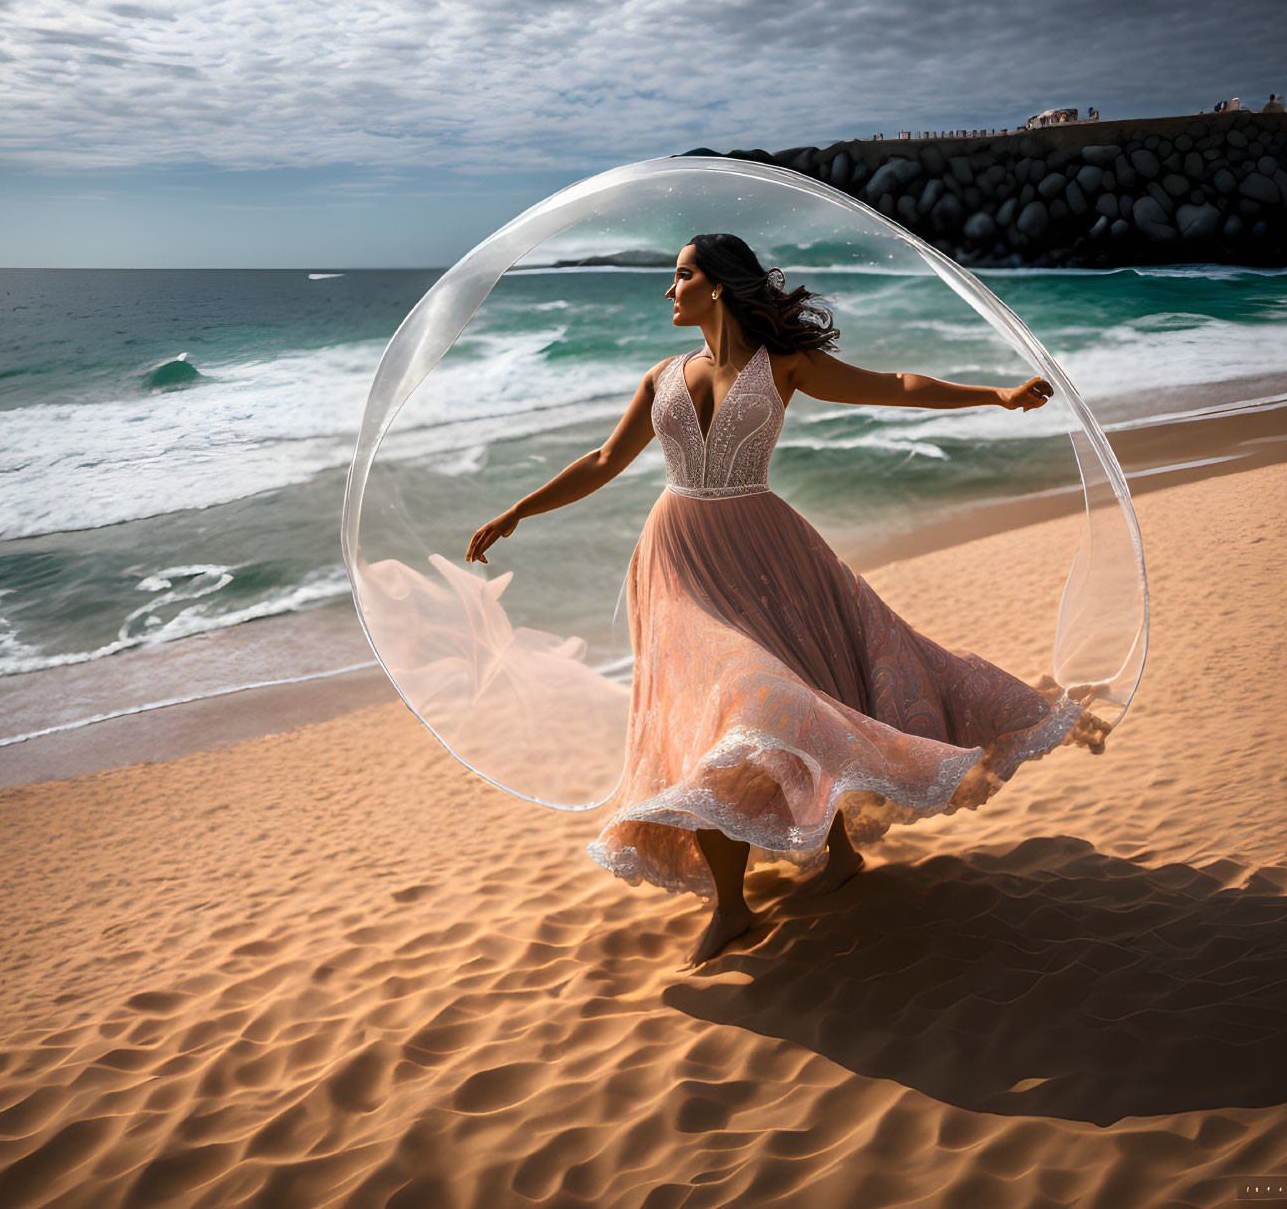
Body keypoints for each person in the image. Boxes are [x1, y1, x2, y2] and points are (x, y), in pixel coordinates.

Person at [466, 234, 1110, 967]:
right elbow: (604, 461)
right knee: (713, 719)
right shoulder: (660, 376)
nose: (667, 290)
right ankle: (734, 908)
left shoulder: (786, 367)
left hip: (766, 549)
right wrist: (520, 510)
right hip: (678, 558)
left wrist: (992, 394)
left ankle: (836, 857)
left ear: (718, 286)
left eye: (680, 276)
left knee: (788, 695)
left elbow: (893, 385)